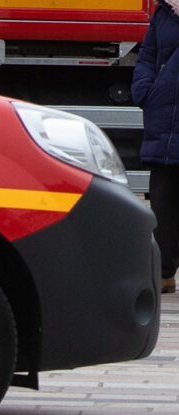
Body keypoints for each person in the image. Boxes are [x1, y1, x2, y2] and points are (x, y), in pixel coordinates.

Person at [132, 0, 179, 294]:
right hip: (164, 117)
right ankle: (163, 272)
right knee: (163, 201)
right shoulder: (164, 13)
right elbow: (147, 55)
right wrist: (145, 89)